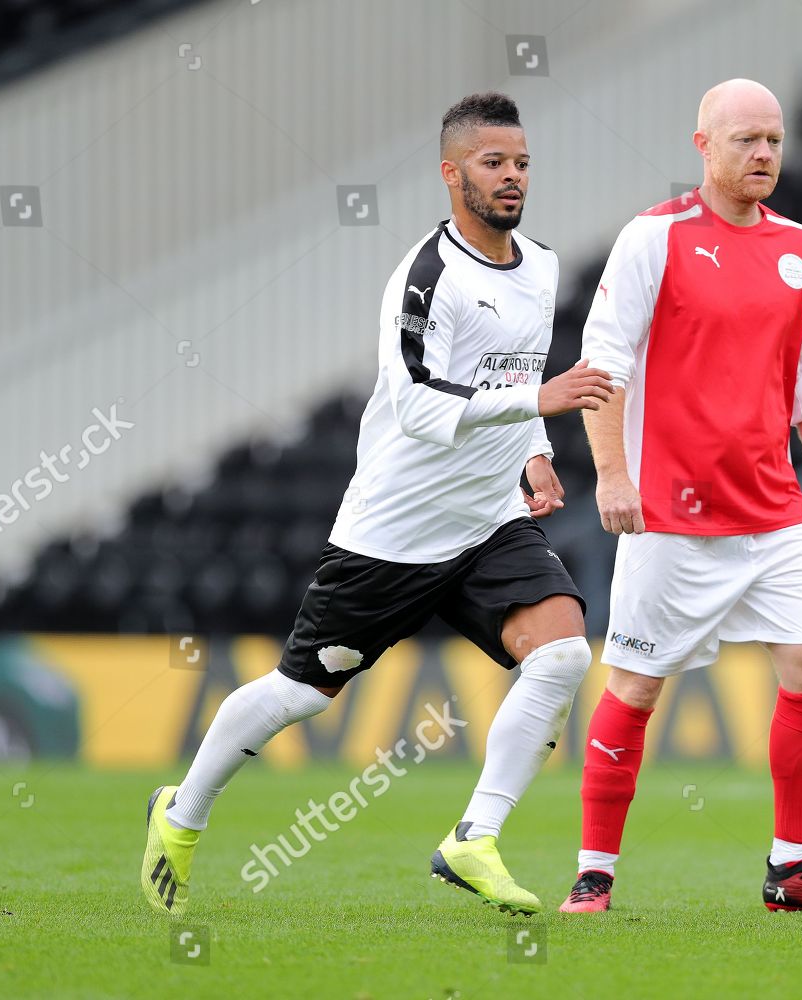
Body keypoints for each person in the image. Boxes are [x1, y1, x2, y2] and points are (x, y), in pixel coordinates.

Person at [141, 92, 614, 918]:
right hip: (392, 535)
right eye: (492, 162)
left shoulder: (539, 266)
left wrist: (533, 456)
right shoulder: (424, 277)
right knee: (298, 693)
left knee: (566, 653)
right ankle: (180, 817)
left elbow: (507, 377)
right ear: (450, 173)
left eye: (522, 162)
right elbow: (421, 407)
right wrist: (540, 405)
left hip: (488, 525)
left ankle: (473, 838)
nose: (511, 177)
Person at [559, 79, 802, 915]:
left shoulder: (801, 247)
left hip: (773, 511)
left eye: (773, 140)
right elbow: (604, 363)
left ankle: (793, 869)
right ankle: (594, 874)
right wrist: (614, 475)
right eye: (745, 140)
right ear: (702, 145)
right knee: (635, 687)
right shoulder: (653, 239)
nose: (764, 154)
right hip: (672, 512)